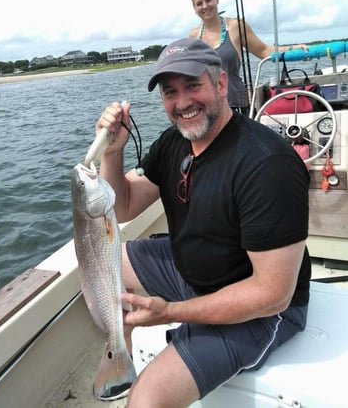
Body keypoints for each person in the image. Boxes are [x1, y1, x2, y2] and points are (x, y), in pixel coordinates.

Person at [97, 37, 311, 407]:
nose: (182, 103)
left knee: (145, 401)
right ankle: (121, 346)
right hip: (193, 270)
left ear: (222, 84)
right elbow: (124, 207)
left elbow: (271, 294)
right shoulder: (173, 142)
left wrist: (171, 313)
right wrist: (112, 154)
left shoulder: (267, 165)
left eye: (193, 85)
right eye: (170, 92)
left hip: (261, 307)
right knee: (104, 261)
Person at [189, 0, 307, 114]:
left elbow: (264, 50)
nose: (205, 6)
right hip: (206, 108)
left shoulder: (236, 27)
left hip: (235, 105)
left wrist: (294, 49)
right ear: (194, 8)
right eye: (199, 3)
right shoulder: (193, 37)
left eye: (208, 0)